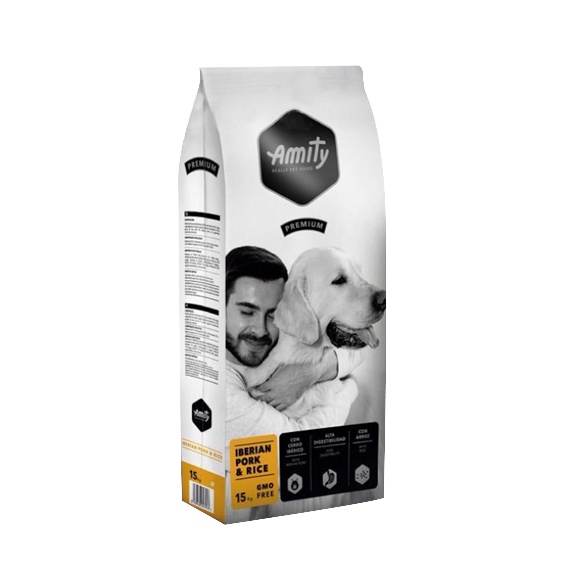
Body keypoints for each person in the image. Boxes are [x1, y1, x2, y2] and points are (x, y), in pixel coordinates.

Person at [224, 246, 364, 521]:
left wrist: (311, 373)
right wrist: (349, 392)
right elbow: (297, 447)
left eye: (272, 314)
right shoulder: (219, 390)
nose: (261, 330)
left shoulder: (278, 346)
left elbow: (357, 352)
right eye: (247, 312)